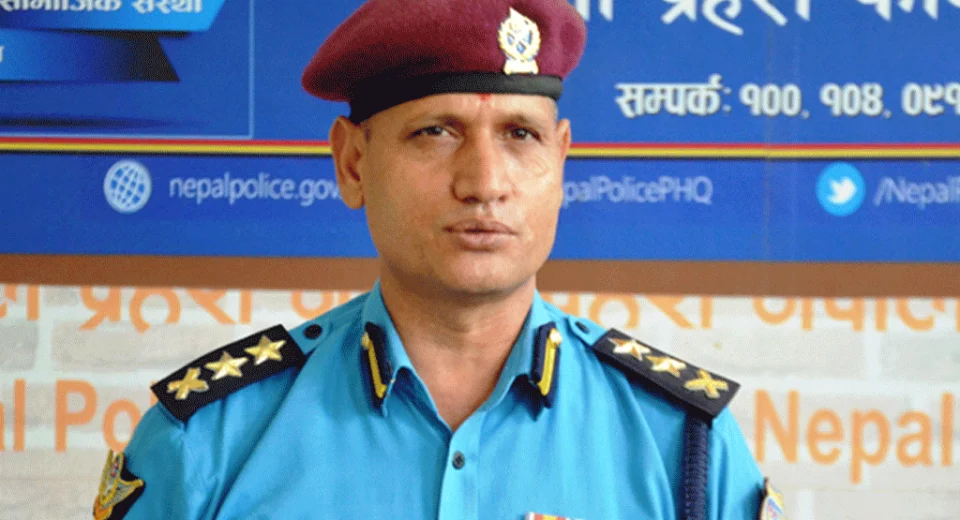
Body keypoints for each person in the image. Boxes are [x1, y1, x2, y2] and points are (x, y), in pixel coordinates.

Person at [92, 1, 784, 519]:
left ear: (561, 159)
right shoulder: (210, 441)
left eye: (520, 135)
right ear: (353, 163)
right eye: (435, 132)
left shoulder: (685, 447)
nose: (484, 182)